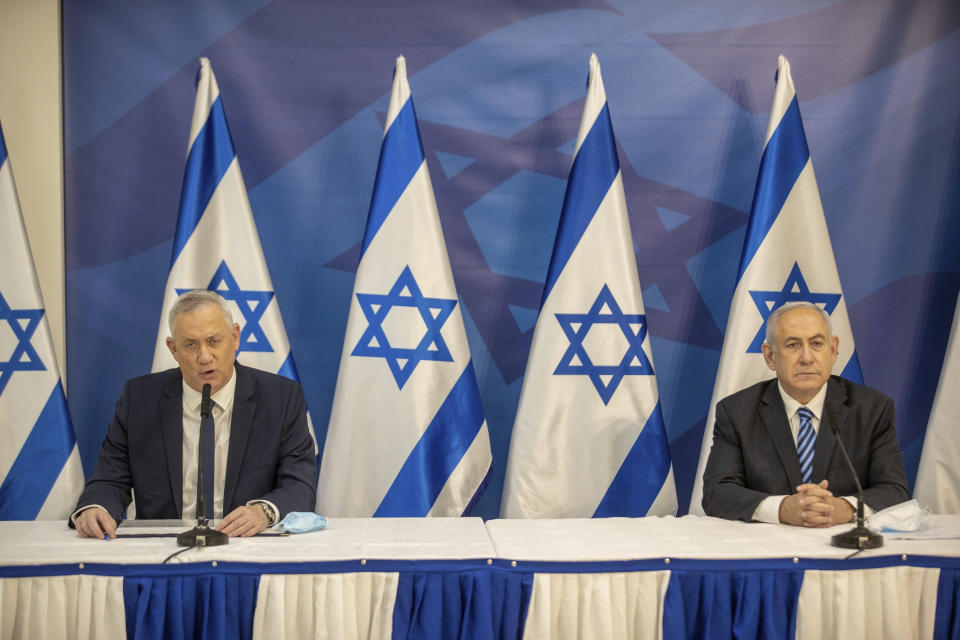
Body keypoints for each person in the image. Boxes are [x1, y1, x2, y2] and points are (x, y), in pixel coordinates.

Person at [70, 290, 316, 539]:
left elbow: (300, 485)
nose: (204, 357)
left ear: (235, 337)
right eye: (190, 345)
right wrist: (95, 508)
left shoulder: (280, 398)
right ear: (173, 348)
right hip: (163, 551)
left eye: (214, 341)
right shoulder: (140, 399)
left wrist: (263, 512)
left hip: (247, 546)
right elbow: (109, 479)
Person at [702, 301, 908, 526]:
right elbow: (717, 493)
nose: (807, 358)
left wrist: (846, 508)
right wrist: (781, 509)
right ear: (770, 356)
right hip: (768, 550)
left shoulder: (872, 410)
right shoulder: (737, 413)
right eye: (792, 345)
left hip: (843, 547)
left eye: (817, 343)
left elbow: (894, 491)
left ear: (833, 350)